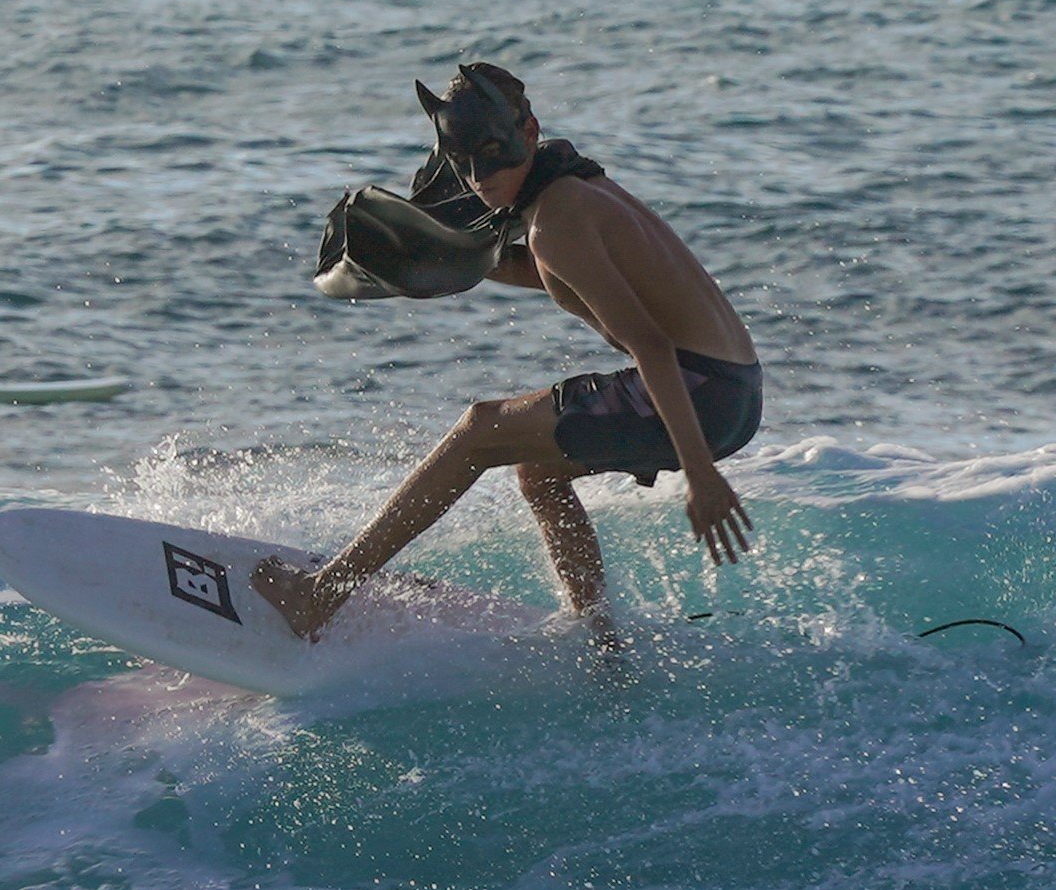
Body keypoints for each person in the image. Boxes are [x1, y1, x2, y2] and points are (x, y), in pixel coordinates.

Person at [255, 62, 760, 641]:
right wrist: (446, 259)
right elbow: (562, 277)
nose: (478, 175)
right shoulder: (577, 191)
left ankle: (321, 597)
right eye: (462, 159)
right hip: (734, 391)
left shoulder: (556, 223)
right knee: (539, 472)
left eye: (491, 151)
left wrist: (700, 473)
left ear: (527, 133)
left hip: (698, 394)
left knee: (480, 430)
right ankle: (603, 643)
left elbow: (649, 343)